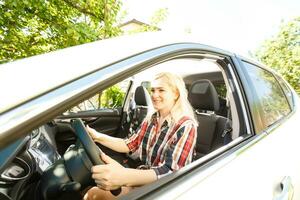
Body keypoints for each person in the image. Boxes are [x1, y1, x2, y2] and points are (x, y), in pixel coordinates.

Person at [84, 72, 198, 200]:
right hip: (143, 178)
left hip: (163, 188)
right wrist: (96, 136)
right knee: (91, 191)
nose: (154, 95)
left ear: (176, 94)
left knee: (93, 194)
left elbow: (171, 173)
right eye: (153, 90)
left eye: (161, 90)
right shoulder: (151, 119)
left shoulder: (186, 125)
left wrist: (124, 176)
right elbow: (129, 144)